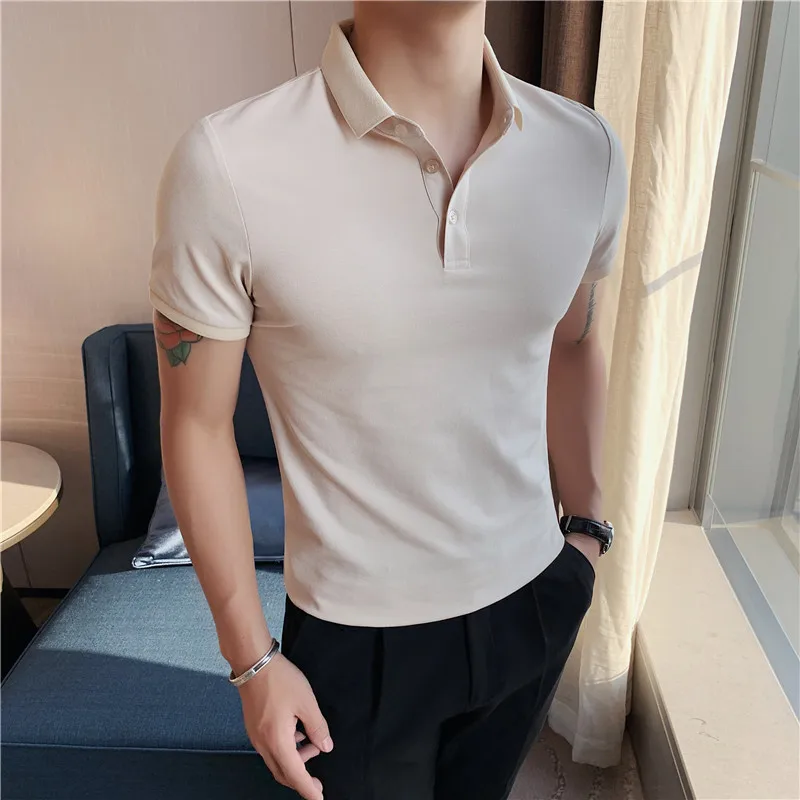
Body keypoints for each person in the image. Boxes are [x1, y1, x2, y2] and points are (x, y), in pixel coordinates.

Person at [149, 2, 626, 799]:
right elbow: (195, 425)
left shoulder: (586, 150)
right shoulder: (228, 164)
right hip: (355, 639)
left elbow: (573, 343)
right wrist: (251, 661)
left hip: (534, 596)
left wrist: (587, 530)